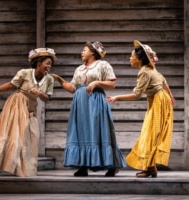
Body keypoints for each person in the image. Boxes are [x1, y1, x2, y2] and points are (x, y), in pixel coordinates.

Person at [51, 41, 126, 177]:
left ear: (92, 52)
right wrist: (59, 80)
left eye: (84, 50)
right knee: (82, 132)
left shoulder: (103, 65)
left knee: (100, 131)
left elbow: (112, 83)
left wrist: (96, 82)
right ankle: (83, 165)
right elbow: (72, 88)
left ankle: (111, 165)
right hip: (80, 103)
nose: (82, 52)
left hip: (95, 100)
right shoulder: (79, 69)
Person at [0, 48, 56, 177]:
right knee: (17, 137)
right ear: (39, 63)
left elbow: (46, 98)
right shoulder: (25, 73)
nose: (49, 66)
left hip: (31, 109)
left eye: (51, 64)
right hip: (17, 105)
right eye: (47, 63)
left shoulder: (49, 80)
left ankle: (27, 170)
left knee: (32, 137)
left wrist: (39, 93)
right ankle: (12, 166)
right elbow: (11, 85)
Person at [106, 40, 175, 178]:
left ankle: (149, 167)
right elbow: (163, 80)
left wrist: (117, 97)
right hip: (161, 100)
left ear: (139, 59)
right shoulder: (151, 68)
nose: (130, 58)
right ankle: (151, 167)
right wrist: (170, 96)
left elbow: (137, 95)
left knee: (149, 135)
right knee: (151, 134)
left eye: (132, 56)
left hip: (158, 101)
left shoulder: (144, 72)